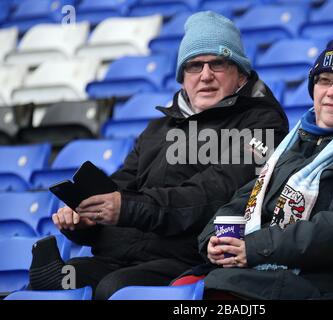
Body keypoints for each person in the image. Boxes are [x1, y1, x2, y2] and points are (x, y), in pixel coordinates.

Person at [28, 11, 288, 300]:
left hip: (191, 257)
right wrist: (88, 220)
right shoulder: (160, 127)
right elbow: (123, 186)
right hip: (122, 254)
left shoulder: (262, 124)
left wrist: (125, 208)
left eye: (218, 63)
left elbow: (213, 193)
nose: (205, 75)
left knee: (114, 289)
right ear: (182, 77)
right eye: (194, 66)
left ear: (240, 74)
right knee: (59, 281)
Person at [194, 37, 333, 299]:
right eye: (324, 81)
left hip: (325, 285)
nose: (332, 92)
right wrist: (215, 240)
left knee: (215, 292)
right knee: (180, 287)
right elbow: (240, 202)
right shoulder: (292, 147)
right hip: (264, 277)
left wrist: (254, 248)